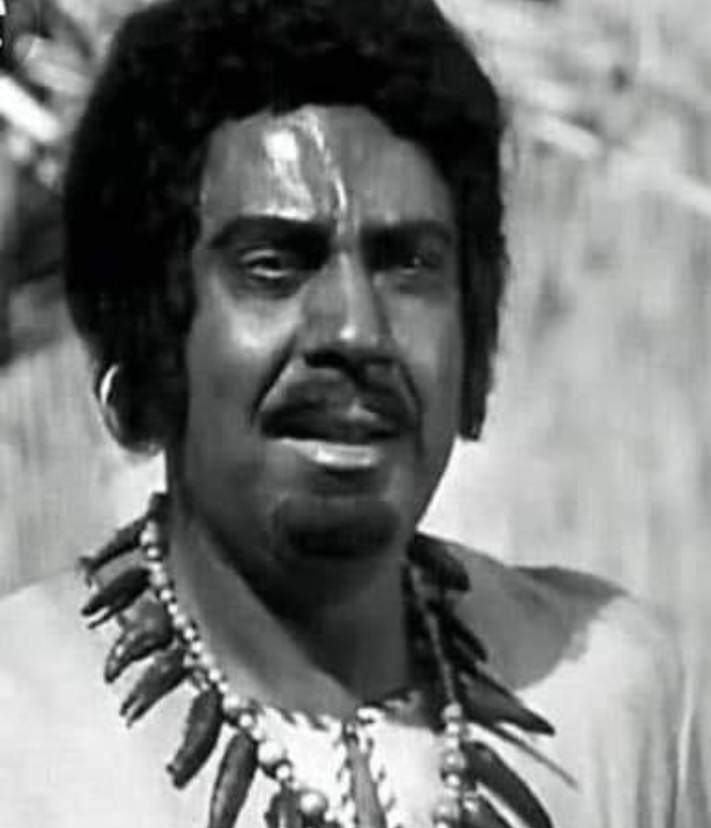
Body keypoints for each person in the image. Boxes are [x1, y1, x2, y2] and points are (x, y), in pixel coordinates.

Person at [0, 0, 707, 826]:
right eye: (273, 264)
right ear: (152, 335)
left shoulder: (616, 704)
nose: (355, 332)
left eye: (408, 265)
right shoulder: (24, 731)